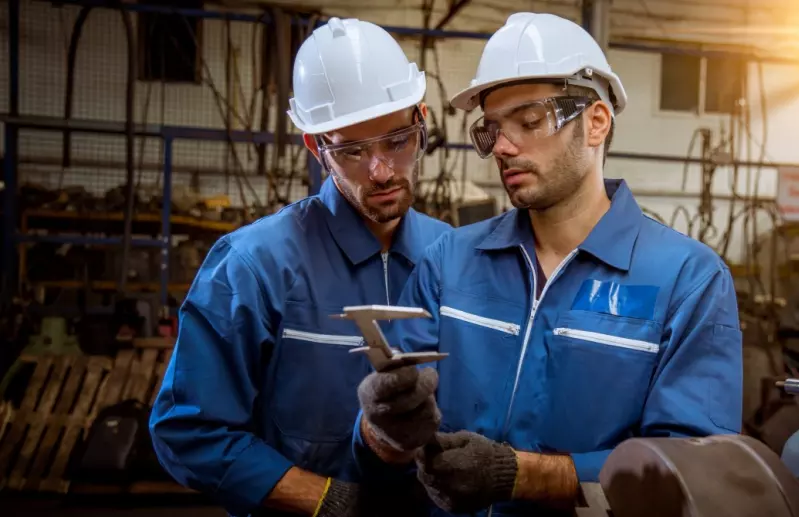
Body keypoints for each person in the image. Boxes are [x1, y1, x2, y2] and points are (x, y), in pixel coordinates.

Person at [350, 12, 743, 517]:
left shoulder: (687, 280)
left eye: (530, 121)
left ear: (596, 122)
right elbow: (382, 454)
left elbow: (690, 472)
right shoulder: (449, 262)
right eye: (492, 130)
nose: (504, 148)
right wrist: (381, 428)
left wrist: (522, 476)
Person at [148, 17, 452, 517]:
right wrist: (325, 501)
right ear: (316, 147)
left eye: (398, 140)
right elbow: (188, 431)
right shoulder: (253, 265)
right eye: (352, 150)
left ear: (422, 119)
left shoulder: (453, 257)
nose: (381, 171)